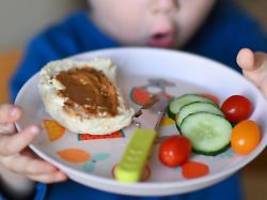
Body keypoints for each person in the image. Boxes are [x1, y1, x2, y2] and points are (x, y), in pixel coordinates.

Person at [0, 0, 267, 199]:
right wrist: (14, 174)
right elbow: (22, 160)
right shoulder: (52, 51)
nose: (165, 5)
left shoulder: (237, 37)